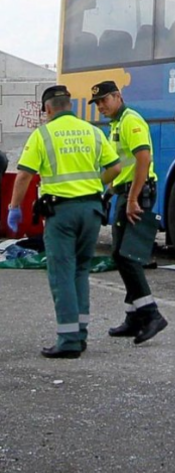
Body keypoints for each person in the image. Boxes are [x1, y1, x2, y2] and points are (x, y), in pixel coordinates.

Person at [6, 85, 120, 358]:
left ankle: (68, 340)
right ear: (70, 105)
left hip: (62, 214)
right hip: (92, 210)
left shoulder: (43, 135)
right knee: (81, 270)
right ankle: (80, 334)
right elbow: (115, 168)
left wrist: (14, 208)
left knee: (61, 273)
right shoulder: (92, 131)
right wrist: (93, 185)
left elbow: (23, 175)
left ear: (47, 109)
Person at [90, 80, 168, 345]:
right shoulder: (116, 124)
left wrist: (133, 198)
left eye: (103, 101)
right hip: (126, 192)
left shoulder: (130, 121)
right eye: (97, 103)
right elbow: (125, 163)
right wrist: (111, 190)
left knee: (126, 256)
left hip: (137, 193)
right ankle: (134, 317)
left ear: (117, 96)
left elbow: (143, 159)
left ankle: (151, 314)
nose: (100, 106)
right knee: (123, 255)